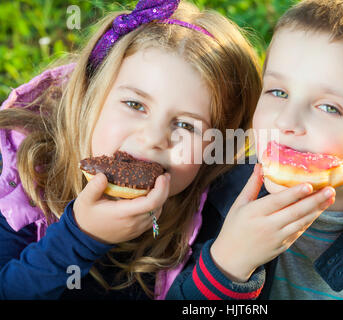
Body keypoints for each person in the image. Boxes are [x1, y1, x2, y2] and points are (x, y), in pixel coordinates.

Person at [166, 0, 343, 299]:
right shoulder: (211, 195)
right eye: (278, 92)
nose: (286, 121)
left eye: (329, 107)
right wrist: (227, 264)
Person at [0, 0, 262, 299]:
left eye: (187, 126)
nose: (153, 137)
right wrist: (80, 236)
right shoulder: (19, 177)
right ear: (90, 95)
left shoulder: (215, 208)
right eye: (135, 105)